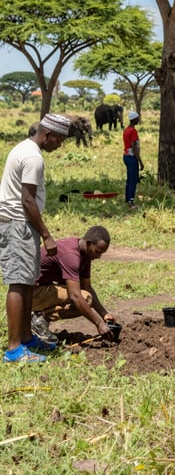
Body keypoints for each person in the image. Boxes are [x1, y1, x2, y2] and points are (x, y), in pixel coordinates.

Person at [0, 114, 70, 363]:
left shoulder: (24, 149)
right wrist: (47, 235)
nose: (59, 146)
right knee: (19, 283)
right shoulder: (33, 158)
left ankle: (27, 338)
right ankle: (14, 349)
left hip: (21, 224)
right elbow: (27, 199)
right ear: (47, 134)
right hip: (18, 224)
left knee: (28, 282)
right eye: (58, 140)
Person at [31, 225, 115, 343]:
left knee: (85, 297)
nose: (98, 256)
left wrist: (104, 314)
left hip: (44, 289)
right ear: (88, 243)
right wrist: (98, 323)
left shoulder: (85, 254)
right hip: (30, 294)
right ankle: (39, 320)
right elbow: (75, 296)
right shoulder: (71, 255)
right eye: (97, 251)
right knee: (84, 299)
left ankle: (40, 318)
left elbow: (86, 286)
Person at [123, 111, 144, 209]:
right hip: (132, 157)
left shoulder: (126, 130)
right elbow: (134, 146)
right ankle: (131, 201)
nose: (138, 120)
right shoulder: (133, 131)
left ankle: (127, 198)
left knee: (129, 178)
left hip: (126, 156)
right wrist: (140, 161)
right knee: (133, 180)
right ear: (134, 119)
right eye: (137, 118)